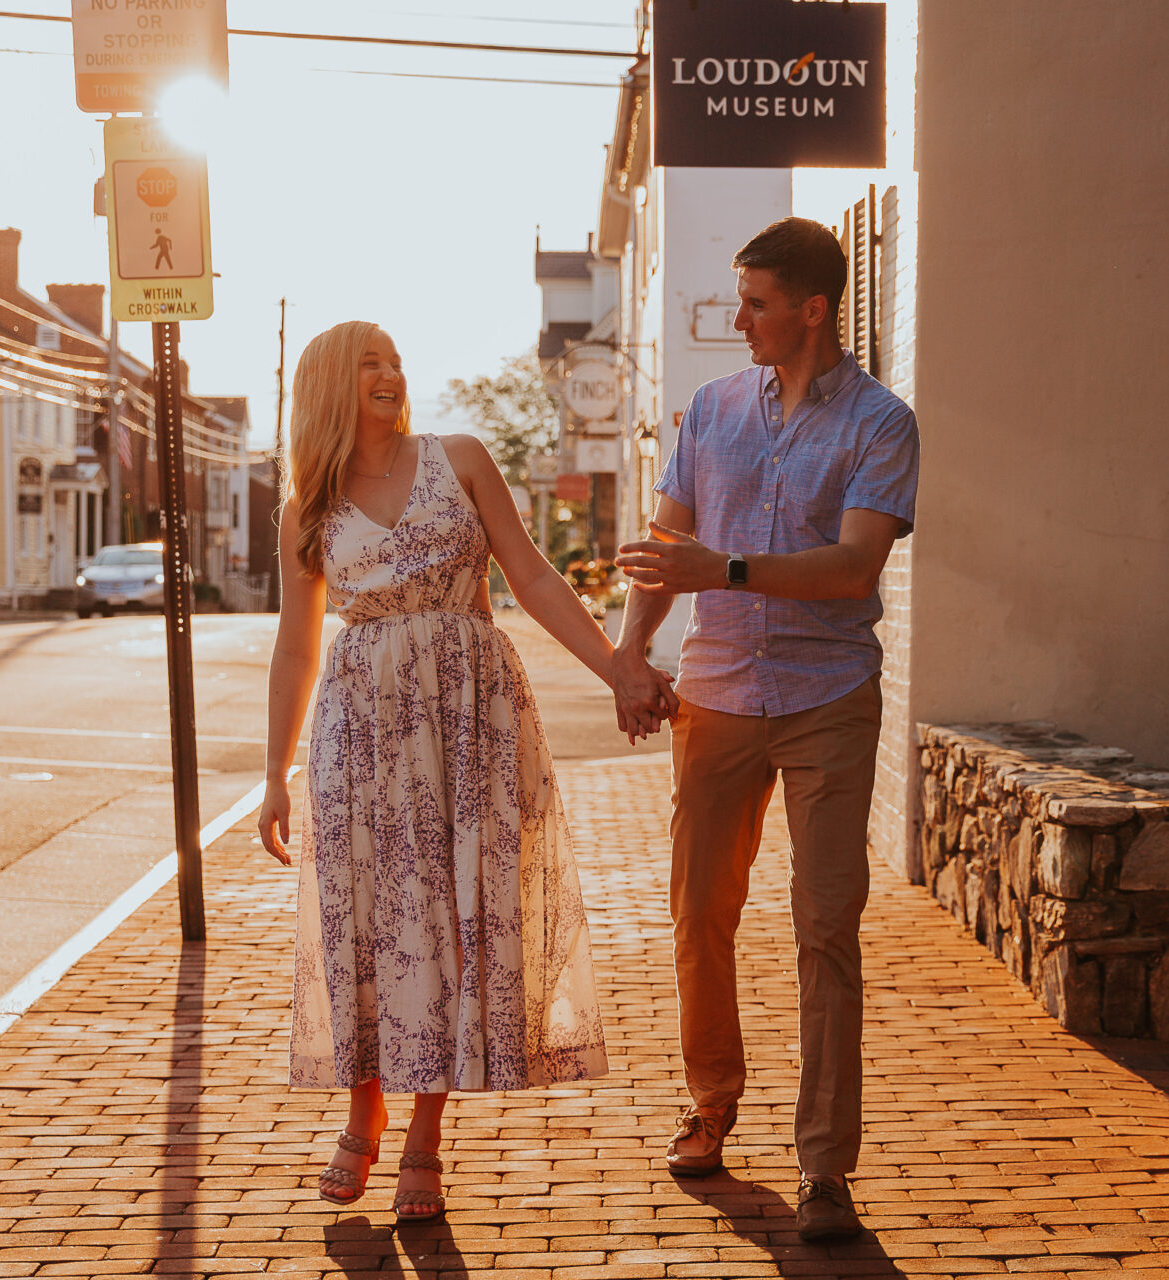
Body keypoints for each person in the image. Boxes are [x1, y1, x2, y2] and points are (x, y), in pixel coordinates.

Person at [259, 320, 678, 1219]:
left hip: (471, 718)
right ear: (330, 384)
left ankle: (423, 1137)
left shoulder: (461, 458)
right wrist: (273, 774)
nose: (390, 372)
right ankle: (364, 1108)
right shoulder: (308, 508)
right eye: (368, 362)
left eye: (394, 359)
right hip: (361, 733)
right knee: (365, 922)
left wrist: (620, 669)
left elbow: (530, 577)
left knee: (453, 918)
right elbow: (296, 649)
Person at [611, 217, 920, 1243]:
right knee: (700, 911)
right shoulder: (710, 408)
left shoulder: (881, 422)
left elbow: (853, 569)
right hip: (716, 693)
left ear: (813, 308)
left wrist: (725, 569)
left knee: (825, 927)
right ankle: (711, 1102)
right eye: (739, 299)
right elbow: (668, 548)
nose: (737, 318)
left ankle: (826, 1166)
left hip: (829, 695)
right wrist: (629, 657)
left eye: (755, 302)